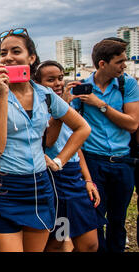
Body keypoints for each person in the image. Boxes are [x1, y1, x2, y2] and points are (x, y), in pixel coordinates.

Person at [0, 28, 91, 252]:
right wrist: (3, 93)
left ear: (31, 58)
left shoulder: (45, 95)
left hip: (40, 186)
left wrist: (59, 161)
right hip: (3, 187)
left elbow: (82, 127)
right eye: (3, 53)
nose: (8, 57)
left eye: (16, 51)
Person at [71, 38, 139, 252]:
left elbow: (133, 123)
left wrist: (100, 105)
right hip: (93, 161)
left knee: (118, 220)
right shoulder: (82, 89)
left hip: (122, 161)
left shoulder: (127, 84)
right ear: (102, 63)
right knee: (95, 219)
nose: (124, 66)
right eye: (119, 61)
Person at [34, 60, 103, 252]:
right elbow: (49, 141)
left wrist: (88, 180)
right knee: (58, 241)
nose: (58, 83)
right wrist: (60, 109)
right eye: (51, 80)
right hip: (55, 179)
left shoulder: (67, 109)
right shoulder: (40, 110)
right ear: (38, 84)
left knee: (90, 243)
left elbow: (76, 146)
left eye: (60, 78)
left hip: (74, 176)